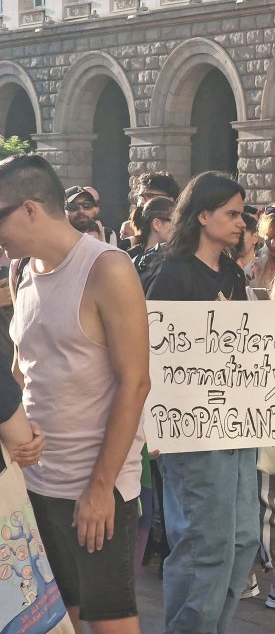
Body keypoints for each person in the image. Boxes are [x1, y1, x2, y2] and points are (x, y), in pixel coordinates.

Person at [3, 154, 149, 634]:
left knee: (112, 623)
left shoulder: (108, 267)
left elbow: (135, 383)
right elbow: (23, 364)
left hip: (96, 488)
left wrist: (101, 487)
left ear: (29, 209)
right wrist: (20, 430)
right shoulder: (20, 269)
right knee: (54, 622)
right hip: (34, 485)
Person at [144, 171, 259, 634]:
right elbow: (153, 350)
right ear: (203, 215)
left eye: (242, 214)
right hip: (191, 432)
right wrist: (154, 424)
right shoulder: (171, 274)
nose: (240, 222)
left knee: (243, 540)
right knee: (203, 543)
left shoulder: (231, 272)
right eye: (232, 214)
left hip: (236, 425)